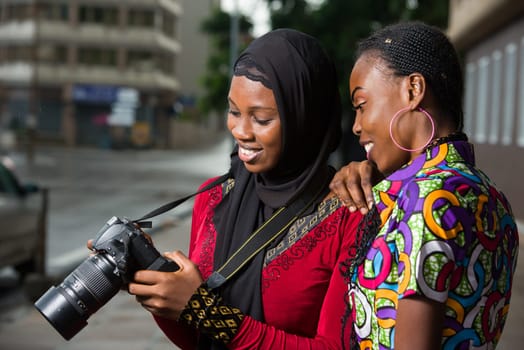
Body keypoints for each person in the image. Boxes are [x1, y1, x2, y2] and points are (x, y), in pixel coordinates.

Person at [128, 28, 363, 349]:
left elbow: (335, 346)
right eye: (234, 111)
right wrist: (154, 287)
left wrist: (207, 312)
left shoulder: (350, 211)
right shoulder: (213, 197)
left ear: (305, 119)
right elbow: (199, 340)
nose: (240, 131)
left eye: (262, 119)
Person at [329, 21, 519, 349]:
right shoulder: (490, 196)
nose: (357, 126)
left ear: (413, 91)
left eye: (362, 105)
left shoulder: (427, 200)